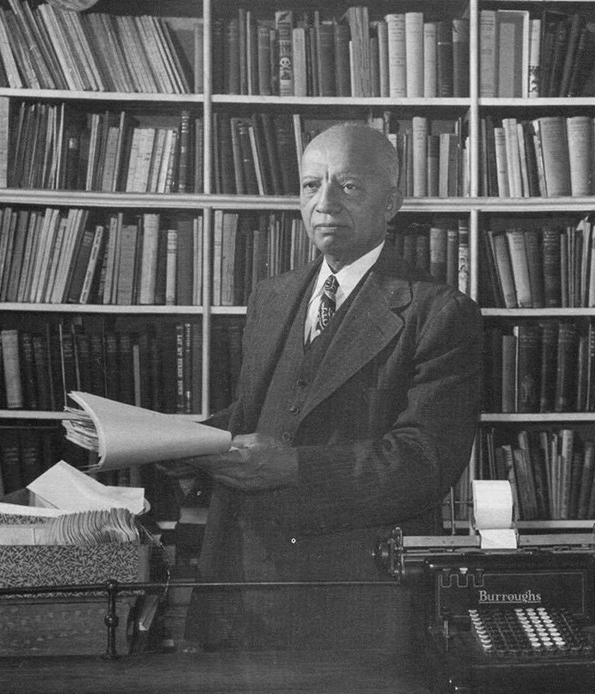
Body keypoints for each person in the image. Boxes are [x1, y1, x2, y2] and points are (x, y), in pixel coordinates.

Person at [182, 122, 483, 651]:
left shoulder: (439, 313)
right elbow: (259, 413)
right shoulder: (271, 298)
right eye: (309, 185)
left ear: (392, 203)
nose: (324, 203)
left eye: (348, 186)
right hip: (245, 584)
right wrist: (161, 440)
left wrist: (294, 466)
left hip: (358, 595)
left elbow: (424, 461)